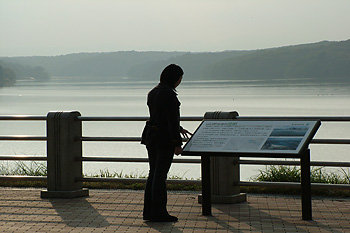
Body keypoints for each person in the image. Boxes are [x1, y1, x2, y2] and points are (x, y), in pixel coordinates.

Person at [141, 64, 192, 222]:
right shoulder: (170, 95)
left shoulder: (153, 92)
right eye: (180, 78)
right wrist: (177, 143)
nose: (180, 81)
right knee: (160, 176)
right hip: (164, 139)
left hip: (151, 137)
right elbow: (171, 119)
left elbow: (159, 116)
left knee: (153, 173)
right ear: (175, 78)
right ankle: (159, 212)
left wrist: (178, 127)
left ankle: (148, 212)